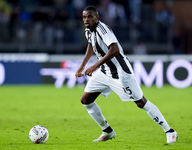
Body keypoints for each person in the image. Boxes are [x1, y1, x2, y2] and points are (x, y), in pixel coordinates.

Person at [75, 5, 178, 143]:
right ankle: (107, 131)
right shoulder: (88, 31)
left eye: (89, 16)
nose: (86, 19)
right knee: (86, 100)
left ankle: (170, 131)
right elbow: (91, 45)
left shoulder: (103, 29)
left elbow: (115, 49)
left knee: (141, 102)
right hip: (105, 72)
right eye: (84, 17)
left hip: (120, 73)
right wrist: (82, 65)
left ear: (97, 17)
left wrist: (94, 66)